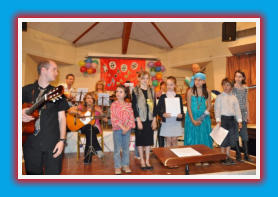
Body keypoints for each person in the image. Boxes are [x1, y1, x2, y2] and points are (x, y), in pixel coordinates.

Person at [22, 60, 69, 175]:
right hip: (30, 142)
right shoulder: (25, 90)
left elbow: (62, 119)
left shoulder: (57, 92)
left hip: (52, 142)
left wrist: (62, 141)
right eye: (54, 69)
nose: (57, 73)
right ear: (43, 70)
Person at [68, 92, 105, 164]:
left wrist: (101, 112)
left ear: (94, 100)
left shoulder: (97, 107)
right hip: (82, 127)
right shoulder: (81, 106)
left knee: (90, 129)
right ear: (85, 99)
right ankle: (98, 149)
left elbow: (105, 119)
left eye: (91, 98)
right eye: (88, 98)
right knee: (89, 128)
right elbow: (70, 110)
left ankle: (87, 159)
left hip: (95, 127)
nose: (89, 99)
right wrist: (79, 113)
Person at [132, 71, 157, 170]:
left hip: (150, 119)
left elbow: (154, 106)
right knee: (141, 141)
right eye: (143, 78)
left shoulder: (152, 90)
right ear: (139, 79)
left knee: (148, 141)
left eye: (147, 78)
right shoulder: (135, 90)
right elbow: (134, 107)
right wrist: (137, 120)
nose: (145, 80)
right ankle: (142, 160)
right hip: (140, 119)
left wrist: (155, 119)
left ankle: (147, 160)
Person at [214, 78, 242, 165]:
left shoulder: (234, 98)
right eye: (224, 85)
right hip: (223, 120)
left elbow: (237, 110)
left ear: (231, 87)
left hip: (232, 121)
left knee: (230, 139)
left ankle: (228, 155)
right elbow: (217, 109)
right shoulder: (219, 97)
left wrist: (239, 120)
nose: (225, 87)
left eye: (228, 85)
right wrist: (218, 120)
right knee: (223, 139)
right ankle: (222, 156)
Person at [110, 85, 135, 175]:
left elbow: (131, 117)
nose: (118, 93)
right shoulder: (113, 105)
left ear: (125, 94)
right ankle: (117, 166)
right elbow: (114, 118)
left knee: (125, 149)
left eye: (121, 92)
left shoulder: (129, 105)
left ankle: (125, 165)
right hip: (117, 129)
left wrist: (127, 128)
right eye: (117, 91)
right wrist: (122, 127)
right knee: (117, 149)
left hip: (127, 130)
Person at [184, 73, 213, 152]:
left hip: (203, 118)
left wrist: (201, 118)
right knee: (192, 137)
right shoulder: (190, 91)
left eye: (200, 80)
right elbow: (189, 107)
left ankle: (204, 157)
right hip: (191, 117)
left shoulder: (207, 91)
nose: (197, 82)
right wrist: (193, 120)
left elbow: (209, 106)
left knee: (203, 137)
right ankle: (194, 157)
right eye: (196, 79)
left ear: (203, 81)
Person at [157, 76, 184, 147]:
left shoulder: (178, 96)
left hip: (176, 122)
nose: (169, 86)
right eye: (168, 84)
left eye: (171, 84)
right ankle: (169, 157)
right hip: (167, 122)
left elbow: (182, 111)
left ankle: (175, 157)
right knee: (168, 141)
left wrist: (181, 115)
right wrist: (163, 114)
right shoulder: (163, 97)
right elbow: (157, 109)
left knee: (174, 140)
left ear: (175, 85)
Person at [232, 70, 252, 162]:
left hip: (243, 113)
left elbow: (246, 101)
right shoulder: (232, 87)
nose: (238, 78)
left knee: (244, 134)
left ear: (243, 78)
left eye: (240, 76)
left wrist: (248, 114)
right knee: (235, 134)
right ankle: (238, 154)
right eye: (236, 76)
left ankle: (246, 155)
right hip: (234, 113)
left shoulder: (245, 88)